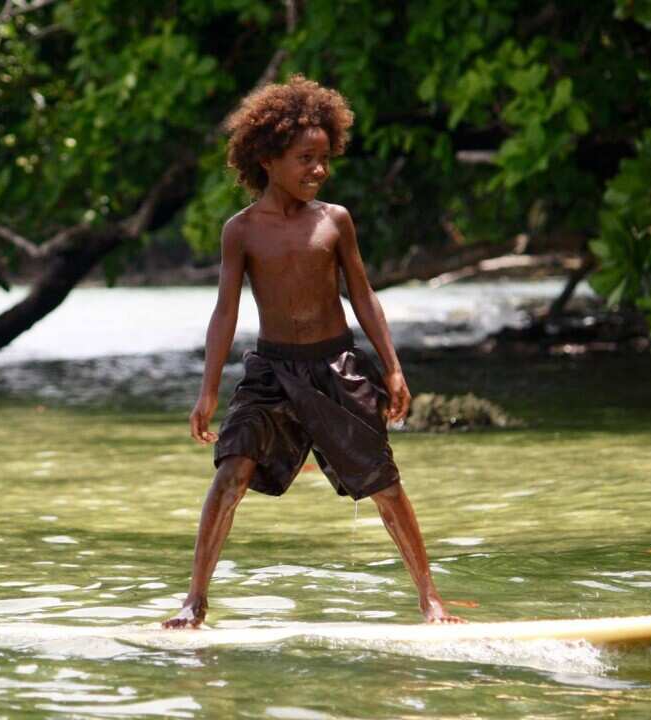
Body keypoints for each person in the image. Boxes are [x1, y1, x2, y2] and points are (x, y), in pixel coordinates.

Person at [163, 76, 462, 629]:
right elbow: (225, 313)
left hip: (336, 366)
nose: (318, 170)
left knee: (385, 486)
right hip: (271, 371)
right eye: (305, 159)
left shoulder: (334, 221)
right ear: (268, 159)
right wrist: (208, 390)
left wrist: (392, 367)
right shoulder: (241, 232)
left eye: (325, 159)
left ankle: (430, 600)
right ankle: (194, 602)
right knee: (229, 473)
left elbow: (363, 295)